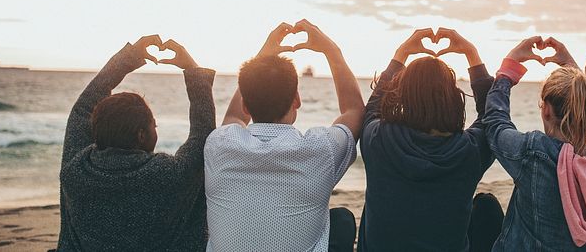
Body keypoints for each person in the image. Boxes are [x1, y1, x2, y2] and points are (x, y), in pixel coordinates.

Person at [204, 19, 365, 252]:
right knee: (341, 220)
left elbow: (233, 117)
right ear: (297, 100)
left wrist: (263, 56)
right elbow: (355, 111)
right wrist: (332, 51)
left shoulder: (219, 144)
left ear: (246, 106)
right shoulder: (320, 149)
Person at [56, 35, 216, 252]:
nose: (155, 130)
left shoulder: (76, 170)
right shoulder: (169, 174)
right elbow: (203, 134)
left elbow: (82, 109)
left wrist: (128, 58)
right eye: (154, 126)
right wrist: (191, 68)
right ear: (141, 135)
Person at [358, 27, 503, 252]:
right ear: (453, 97)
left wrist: (402, 53)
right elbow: (490, 117)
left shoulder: (378, 139)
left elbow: (372, 110)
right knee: (486, 206)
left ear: (401, 93)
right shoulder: (470, 151)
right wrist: (471, 54)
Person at [483, 35, 586, 251]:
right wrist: (570, 65)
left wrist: (509, 66)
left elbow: (495, 124)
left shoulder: (534, 154)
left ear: (546, 110)